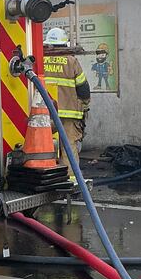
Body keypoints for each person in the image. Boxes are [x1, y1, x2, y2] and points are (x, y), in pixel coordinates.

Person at [43, 27, 90, 177]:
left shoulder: (40, 59)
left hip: (45, 113)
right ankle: (71, 180)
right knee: (69, 146)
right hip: (69, 113)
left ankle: (47, 177)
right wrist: (85, 105)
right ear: (65, 44)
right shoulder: (72, 61)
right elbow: (83, 88)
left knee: (43, 145)